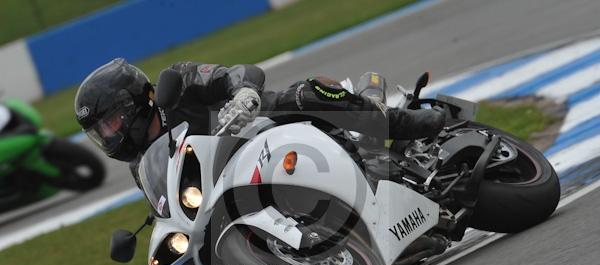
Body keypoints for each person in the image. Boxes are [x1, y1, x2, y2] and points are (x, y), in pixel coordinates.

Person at [74, 58, 445, 163]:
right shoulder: (144, 167)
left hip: (271, 122)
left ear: (136, 101)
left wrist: (244, 95)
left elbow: (240, 73)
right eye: (101, 132)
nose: (110, 134)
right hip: (248, 178)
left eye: (111, 122)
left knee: (308, 93)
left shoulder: (179, 82)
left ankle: (400, 123)